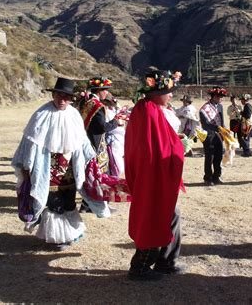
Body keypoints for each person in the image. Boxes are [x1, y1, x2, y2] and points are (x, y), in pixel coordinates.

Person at [12, 77, 96, 250]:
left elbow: (82, 140)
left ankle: (69, 232)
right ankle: (58, 238)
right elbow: (30, 141)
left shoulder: (74, 115)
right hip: (47, 168)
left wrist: (90, 159)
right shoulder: (41, 114)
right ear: (54, 95)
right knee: (53, 202)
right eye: (59, 95)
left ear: (72, 98)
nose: (62, 100)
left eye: (66, 97)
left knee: (69, 201)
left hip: (70, 170)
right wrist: (26, 167)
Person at [125, 70, 184, 281]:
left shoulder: (152, 109)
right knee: (155, 216)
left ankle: (166, 261)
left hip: (157, 174)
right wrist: (176, 146)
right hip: (152, 176)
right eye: (167, 92)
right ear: (155, 93)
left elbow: (161, 143)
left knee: (171, 215)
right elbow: (152, 149)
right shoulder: (148, 112)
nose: (171, 96)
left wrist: (175, 144)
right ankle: (139, 267)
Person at [78, 77, 125, 213]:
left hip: (86, 140)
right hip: (96, 144)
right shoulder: (97, 106)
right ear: (99, 90)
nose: (106, 93)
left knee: (90, 174)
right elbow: (103, 127)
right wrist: (116, 122)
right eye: (105, 90)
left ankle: (87, 204)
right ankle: (93, 205)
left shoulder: (85, 102)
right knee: (97, 175)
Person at [200, 86, 227, 186]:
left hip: (219, 135)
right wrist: (217, 128)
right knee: (209, 157)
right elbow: (205, 124)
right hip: (209, 135)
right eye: (220, 96)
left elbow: (222, 121)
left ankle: (217, 176)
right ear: (214, 96)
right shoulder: (204, 109)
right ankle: (208, 178)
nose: (221, 99)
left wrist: (223, 131)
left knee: (218, 156)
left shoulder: (220, 106)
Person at [102, 92, 126, 177]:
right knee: (114, 158)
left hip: (118, 136)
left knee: (117, 156)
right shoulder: (105, 111)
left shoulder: (114, 109)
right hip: (112, 137)